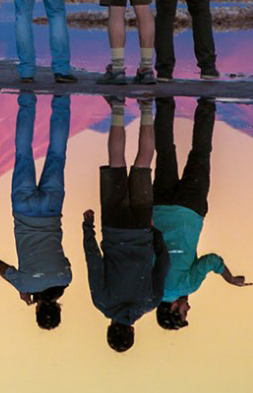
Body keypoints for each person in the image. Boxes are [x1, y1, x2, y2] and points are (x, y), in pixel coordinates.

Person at [153, 97, 251, 330]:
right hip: (160, 207)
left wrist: (229, 277)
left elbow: (212, 261)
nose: (189, 309)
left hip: (190, 208)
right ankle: (164, 100)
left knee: (201, 153)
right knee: (166, 151)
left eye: (184, 314)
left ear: (174, 309)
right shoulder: (152, 286)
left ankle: (206, 102)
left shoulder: (187, 286)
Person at [83, 96, 169, 352]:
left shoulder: (150, 302)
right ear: (110, 328)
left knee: (143, 164)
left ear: (132, 331)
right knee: (117, 163)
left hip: (142, 228)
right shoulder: (102, 302)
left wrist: (154, 234)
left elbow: (163, 263)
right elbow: (94, 262)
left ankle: (146, 107)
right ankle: (118, 107)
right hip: (114, 227)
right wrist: (88, 228)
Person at [0, 92, 72, 329]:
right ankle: (27, 98)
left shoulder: (65, 279)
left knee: (57, 155)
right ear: (36, 310)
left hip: (50, 210)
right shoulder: (24, 283)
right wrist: (23, 289)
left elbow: (63, 259)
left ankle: (62, 98)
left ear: (58, 309)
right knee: (23, 153)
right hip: (24, 209)